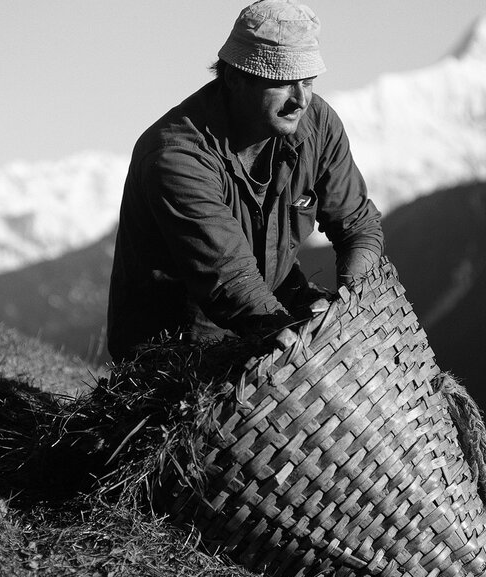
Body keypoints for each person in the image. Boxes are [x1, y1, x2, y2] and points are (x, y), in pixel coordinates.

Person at [107, 0, 384, 361]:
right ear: (235, 77)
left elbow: (358, 225)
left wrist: (354, 300)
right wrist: (296, 343)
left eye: (308, 81)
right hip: (178, 351)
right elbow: (231, 282)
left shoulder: (317, 124)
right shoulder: (177, 156)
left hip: (271, 307)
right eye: (283, 82)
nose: (300, 99)